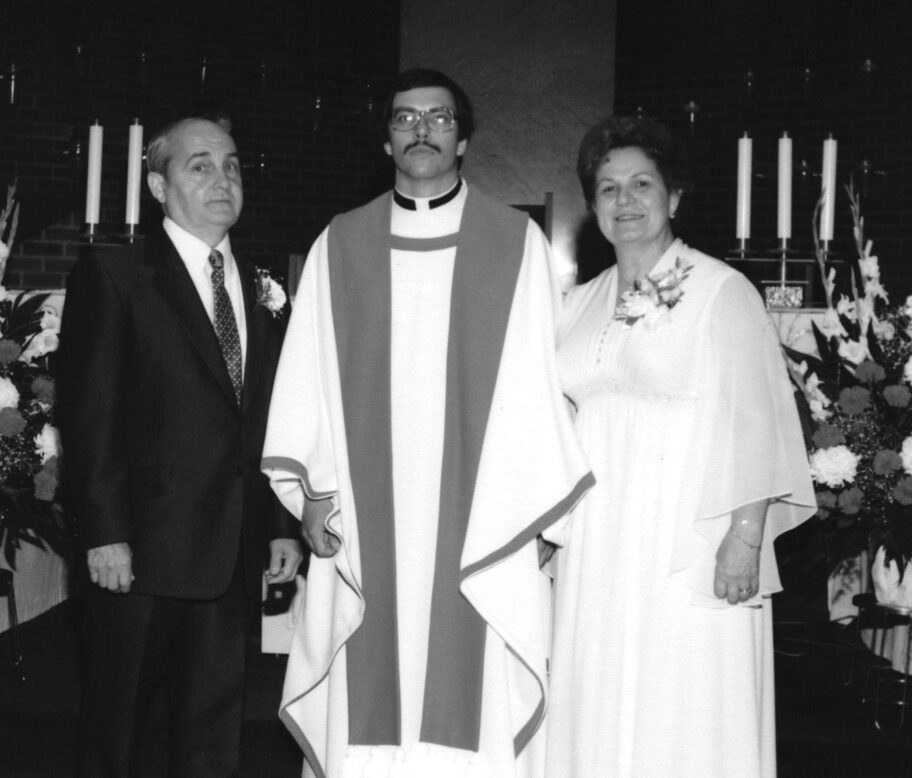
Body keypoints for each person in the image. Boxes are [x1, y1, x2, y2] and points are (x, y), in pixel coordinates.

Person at [261, 68, 593, 777]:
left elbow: (538, 385)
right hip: (364, 510)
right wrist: (311, 493)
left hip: (478, 517)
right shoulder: (340, 243)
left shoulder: (514, 243)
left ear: (463, 138)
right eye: (405, 118)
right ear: (385, 140)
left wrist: (529, 515)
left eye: (438, 119)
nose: (421, 131)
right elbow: (305, 380)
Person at [545, 116, 816, 777]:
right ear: (592, 205)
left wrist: (744, 535)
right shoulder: (578, 301)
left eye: (642, 183)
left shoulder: (721, 291)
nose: (625, 200)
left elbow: (756, 419)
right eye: (608, 188)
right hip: (601, 546)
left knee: (683, 702)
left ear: (675, 196)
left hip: (685, 539)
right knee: (601, 698)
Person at [58, 113, 302, 777]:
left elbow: (257, 417)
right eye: (200, 166)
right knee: (120, 728)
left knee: (213, 731)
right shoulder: (117, 274)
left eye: (231, 166)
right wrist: (104, 533)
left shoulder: (253, 283)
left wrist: (278, 523)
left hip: (229, 547)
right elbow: (89, 415)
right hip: (141, 551)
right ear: (159, 187)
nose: (223, 179)